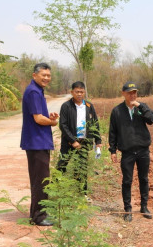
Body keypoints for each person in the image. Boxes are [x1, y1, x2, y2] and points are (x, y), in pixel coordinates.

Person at [109, 81, 153, 222]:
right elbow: (113, 132)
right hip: (127, 152)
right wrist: (112, 150)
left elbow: (152, 119)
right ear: (123, 93)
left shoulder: (141, 107)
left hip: (143, 151)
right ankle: (128, 210)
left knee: (144, 179)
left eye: (134, 92)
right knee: (127, 181)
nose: (132, 95)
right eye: (129, 93)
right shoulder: (117, 111)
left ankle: (144, 207)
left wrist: (140, 106)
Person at [20, 63, 59, 226]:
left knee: (41, 179)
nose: (46, 78)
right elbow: (37, 118)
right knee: (40, 180)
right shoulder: (34, 92)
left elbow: (39, 115)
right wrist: (52, 122)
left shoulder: (36, 91)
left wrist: (48, 116)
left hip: (39, 142)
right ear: (34, 75)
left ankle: (38, 213)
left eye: (48, 75)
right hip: (36, 143)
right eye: (43, 75)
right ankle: (38, 217)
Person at [57, 81, 102, 194]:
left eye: (81, 92)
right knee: (62, 165)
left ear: (84, 92)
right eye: (77, 92)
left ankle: (82, 194)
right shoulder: (66, 106)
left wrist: (98, 141)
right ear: (72, 92)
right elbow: (63, 125)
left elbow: (94, 124)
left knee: (81, 168)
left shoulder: (88, 106)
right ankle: (56, 191)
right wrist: (72, 141)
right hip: (68, 142)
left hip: (84, 142)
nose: (79, 94)